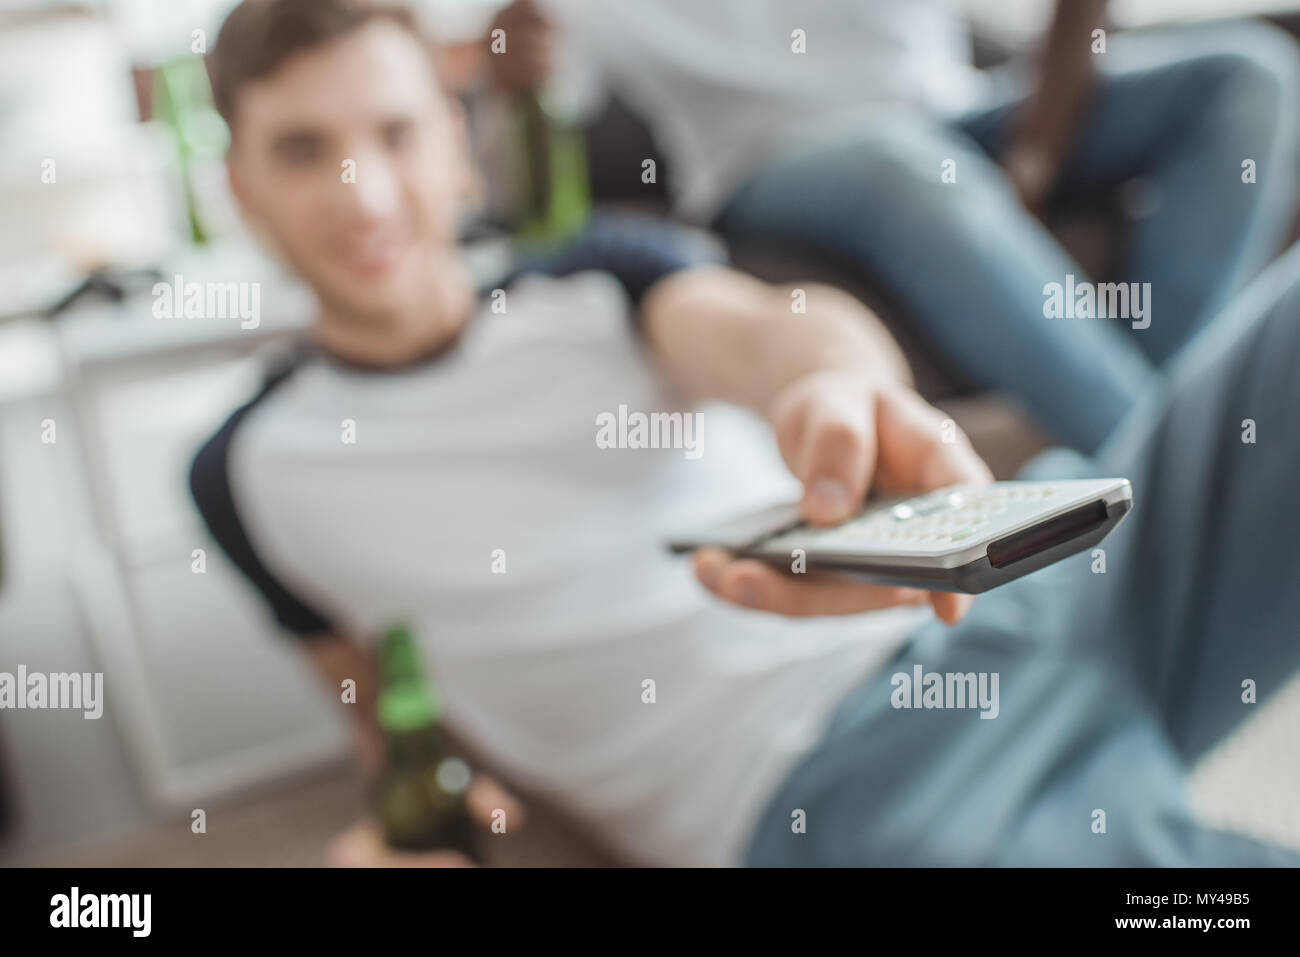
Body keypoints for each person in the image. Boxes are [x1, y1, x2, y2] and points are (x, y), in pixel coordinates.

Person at [192, 0, 1300, 867]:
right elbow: (383, 713)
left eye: (393, 133)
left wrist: (841, 390)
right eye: (302, 151)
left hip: (1042, 588)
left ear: (457, 143)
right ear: (240, 188)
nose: (363, 191)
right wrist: (411, 834)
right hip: (853, 778)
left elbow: (775, 334)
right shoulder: (240, 476)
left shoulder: (591, 276)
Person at [495, 0, 1300, 454]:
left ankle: (1166, 430)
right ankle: (1187, 474)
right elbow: (520, 179)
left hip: (952, 116)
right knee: (901, 164)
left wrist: (1034, 163)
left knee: (1251, 77)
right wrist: (508, 80)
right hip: (774, 166)